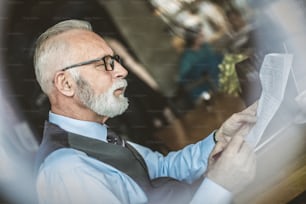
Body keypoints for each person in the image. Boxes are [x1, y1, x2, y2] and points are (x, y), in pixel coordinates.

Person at [34, 19, 257, 204]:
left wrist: (220, 137)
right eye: (103, 63)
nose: (121, 71)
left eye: (115, 60)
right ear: (65, 84)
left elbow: (162, 168)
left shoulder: (96, 135)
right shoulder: (67, 170)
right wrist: (219, 187)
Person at [178, 26, 224, 106]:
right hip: (203, 91)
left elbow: (215, 60)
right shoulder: (187, 58)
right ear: (194, 39)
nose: (203, 36)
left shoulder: (206, 47)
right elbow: (185, 81)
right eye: (200, 35)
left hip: (219, 81)